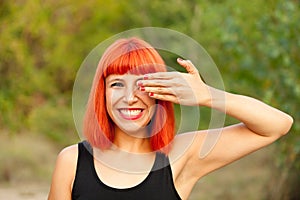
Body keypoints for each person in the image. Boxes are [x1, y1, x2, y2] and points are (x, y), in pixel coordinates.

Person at [48, 37, 293, 200]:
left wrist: (208, 95)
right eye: (117, 84)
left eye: (142, 84)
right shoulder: (72, 161)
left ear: (159, 94)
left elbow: (277, 125)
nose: (130, 97)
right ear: (102, 93)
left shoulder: (181, 155)